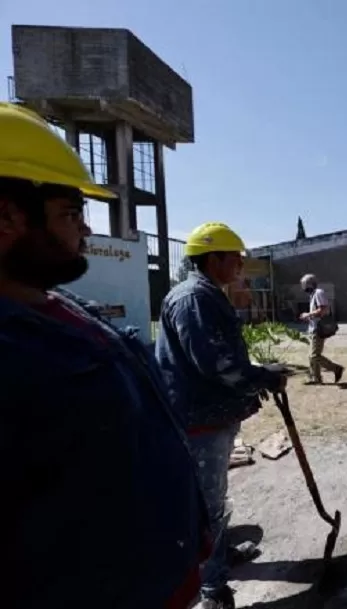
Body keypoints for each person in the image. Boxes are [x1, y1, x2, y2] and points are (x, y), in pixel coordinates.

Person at [0, 103, 208, 608]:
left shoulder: (58, 303)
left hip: (161, 576)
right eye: (72, 214)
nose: (86, 232)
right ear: (6, 218)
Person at [155, 222, 288, 609]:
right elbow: (218, 365)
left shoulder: (206, 294)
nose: (240, 267)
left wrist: (261, 373)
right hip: (200, 420)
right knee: (208, 503)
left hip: (210, 414)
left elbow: (222, 358)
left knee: (215, 496)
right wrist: (264, 377)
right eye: (236, 259)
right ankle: (212, 589)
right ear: (214, 259)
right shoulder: (195, 299)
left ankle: (220, 552)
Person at [299, 273, 344, 384]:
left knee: (314, 356)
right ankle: (316, 378)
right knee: (311, 356)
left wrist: (308, 315)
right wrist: (308, 316)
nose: (303, 288)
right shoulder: (313, 295)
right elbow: (317, 311)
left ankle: (336, 368)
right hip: (313, 328)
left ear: (308, 284)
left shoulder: (318, 293)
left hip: (318, 330)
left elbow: (323, 310)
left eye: (303, 285)